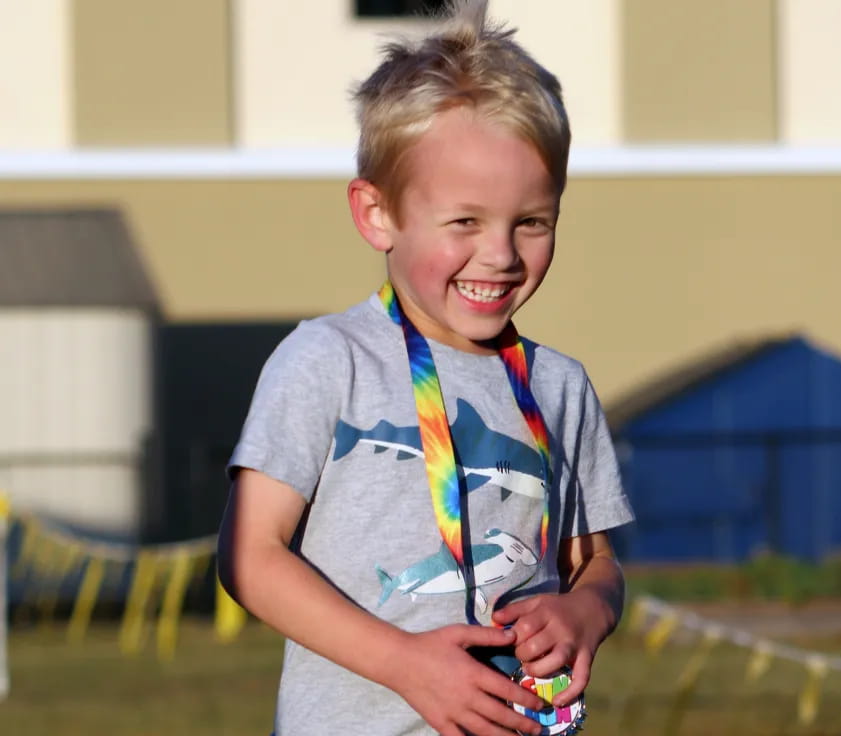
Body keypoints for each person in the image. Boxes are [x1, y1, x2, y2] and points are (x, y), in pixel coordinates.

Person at [216, 1, 634, 734]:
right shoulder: (325, 360)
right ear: (377, 214)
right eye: (464, 221)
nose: (501, 255)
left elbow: (597, 564)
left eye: (531, 221)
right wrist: (404, 662)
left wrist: (585, 613)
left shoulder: (560, 387)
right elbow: (250, 558)